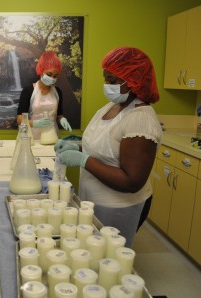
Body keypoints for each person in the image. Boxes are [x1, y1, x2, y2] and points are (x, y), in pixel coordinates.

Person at [54, 47, 163, 247]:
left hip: (119, 207)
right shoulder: (111, 107)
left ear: (133, 79)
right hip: (92, 200)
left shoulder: (141, 119)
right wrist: (76, 149)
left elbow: (131, 181)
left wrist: (84, 161)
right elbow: (103, 150)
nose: (107, 85)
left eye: (112, 81)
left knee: (107, 260)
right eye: (106, 79)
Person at [16, 51, 72, 140]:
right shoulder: (29, 91)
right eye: (49, 74)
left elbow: (59, 115)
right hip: (32, 137)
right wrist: (35, 123)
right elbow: (19, 120)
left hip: (52, 136)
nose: (52, 78)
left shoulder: (57, 92)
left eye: (55, 76)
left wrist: (62, 119)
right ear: (41, 71)